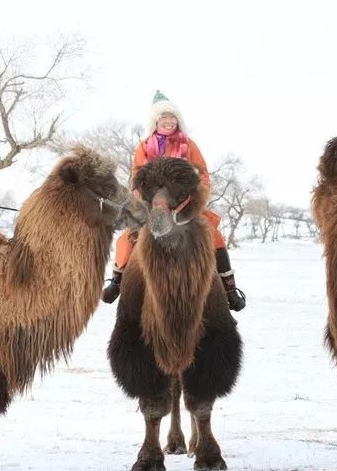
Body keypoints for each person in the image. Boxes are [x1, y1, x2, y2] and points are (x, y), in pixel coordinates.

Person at [101, 90, 246, 311]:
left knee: (213, 234)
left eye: (172, 117)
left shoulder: (189, 145)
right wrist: (144, 201)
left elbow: (203, 175)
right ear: (155, 121)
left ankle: (229, 289)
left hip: (184, 203)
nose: (169, 121)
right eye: (164, 117)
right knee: (128, 237)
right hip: (152, 205)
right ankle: (117, 281)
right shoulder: (144, 147)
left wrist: (195, 198)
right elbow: (136, 177)